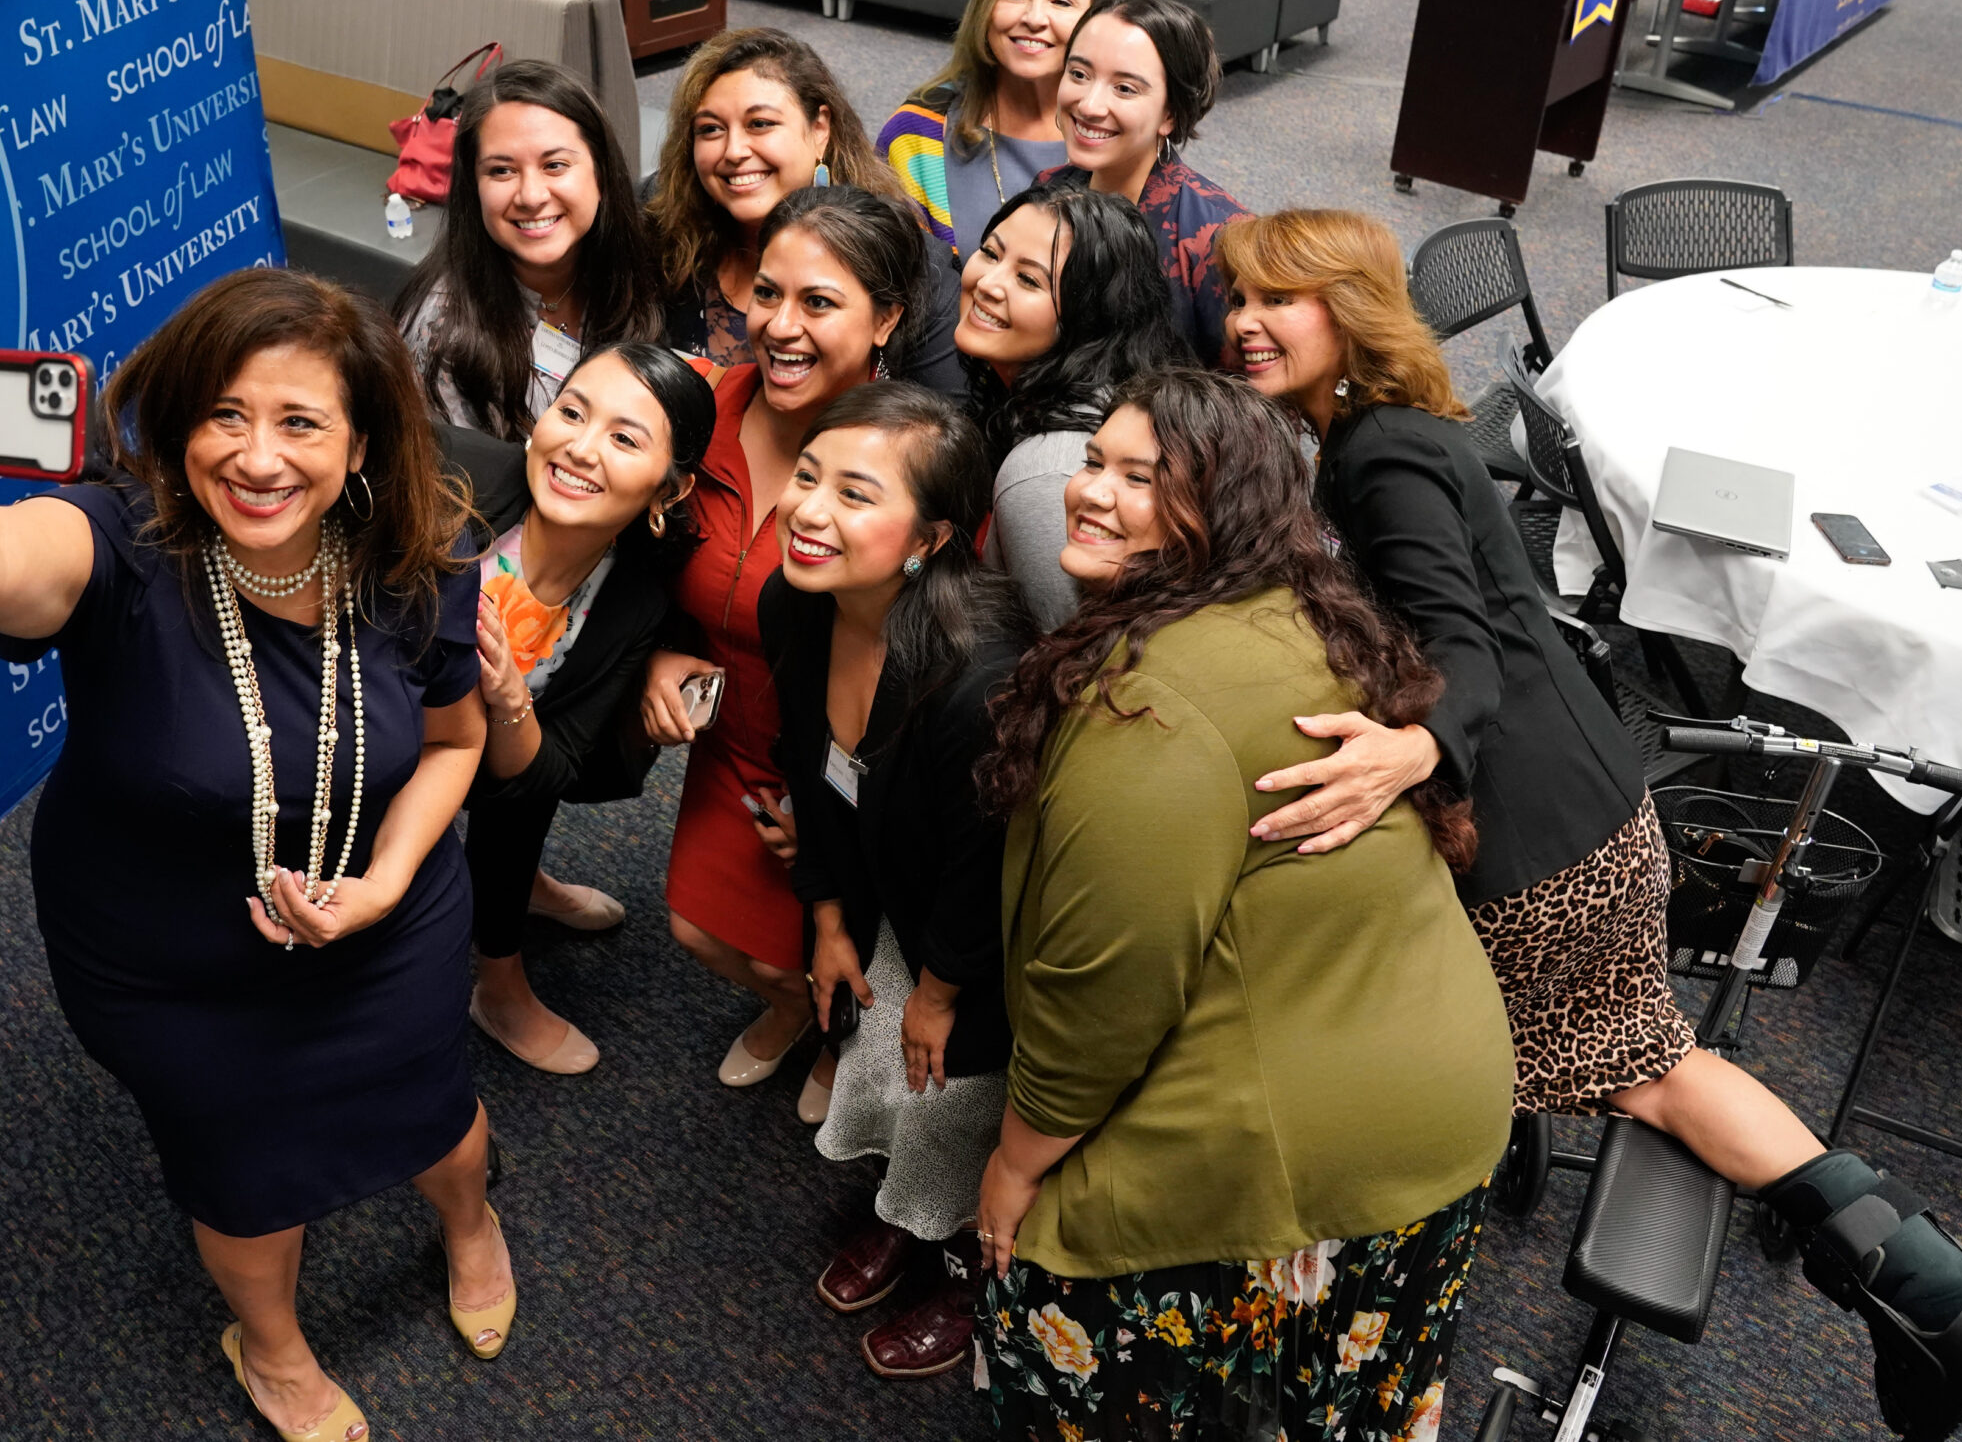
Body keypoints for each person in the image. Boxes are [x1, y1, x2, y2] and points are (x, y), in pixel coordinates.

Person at [1219, 208, 1962, 1442]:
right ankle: (1922, 1282)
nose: (1243, 322)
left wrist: (1413, 744)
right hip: (1601, 806)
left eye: (1276, 299)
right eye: (1235, 297)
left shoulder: (1374, 459)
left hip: (1524, 843)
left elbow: (1459, 647)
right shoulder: (1406, 430)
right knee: (1648, 1064)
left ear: (1347, 314)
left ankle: (1354, 1302)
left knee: (1554, 1071)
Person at [0, 273, 515, 1442]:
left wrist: (383, 886)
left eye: (299, 423)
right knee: (238, 1162)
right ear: (179, 421)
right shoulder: (118, 544)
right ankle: (273, 1347)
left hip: (387, 916)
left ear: (361, 445)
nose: (256, 457)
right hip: (166, 957)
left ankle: (472, 1225)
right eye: (224, 415)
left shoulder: (416, 561)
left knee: (441, 1113)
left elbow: (454, 738)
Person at [971, 369, 1513, 1442]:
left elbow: (1108, 989)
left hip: (1315, 1147)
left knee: (1052, 1317)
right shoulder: (1298, 612)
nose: (1089, 492)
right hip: (1433, 1104)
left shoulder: (1150, 711)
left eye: (1142, 476)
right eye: (1094, 463)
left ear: (1222, 511)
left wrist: (1014, 1161)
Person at [761, 383, 1035, 1381]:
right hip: (889, 896)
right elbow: (807, 764)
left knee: (959, 1097)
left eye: (854, 494)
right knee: (895, 1082)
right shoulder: (795, 599)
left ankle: (963, 1265)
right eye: (806, 477)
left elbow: (991, 861)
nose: (809, 511)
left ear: (929, 537)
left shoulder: (977, 675)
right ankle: (900, 1212)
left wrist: (942, 990)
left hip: (989, 947)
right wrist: (828, 915)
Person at [639, 186, 925, 1118]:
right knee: (699, 930)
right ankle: (794, 1006)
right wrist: (654, 656)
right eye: (768, 294)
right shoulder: (700, 410)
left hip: (844, 764)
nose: (780, 326)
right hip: (731, 739)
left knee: (820, 944)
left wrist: (848, 822)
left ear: (886, 318)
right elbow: (634, 563)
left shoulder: (912, 459)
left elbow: (926, 674)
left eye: (819, 302)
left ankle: (833, 1027)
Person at [461, 344, 717, 1075]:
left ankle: (498, 975)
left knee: (523, 759)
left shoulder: (630, 597)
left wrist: (512, 696)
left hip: (486, 762)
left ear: (669, 490)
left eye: (624, 437)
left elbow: (547, 773)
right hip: (360, 739)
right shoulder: (456, 475)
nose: (579, 445)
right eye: (571, 411)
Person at [646, 27, 962, 391]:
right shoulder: (662, 222)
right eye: (711, 129)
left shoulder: (915, 268)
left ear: (819, 130)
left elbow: (944, 426)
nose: (733, 151)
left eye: (760, 124)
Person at [953, 176, 1190, 628]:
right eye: (990, 253)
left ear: (1087, 317)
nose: (988, 283)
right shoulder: (1060, 399)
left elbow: (1063, 656)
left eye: (1027, 279)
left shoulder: (1050, 472)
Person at [395, 59, 662, 438]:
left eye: (554, 165)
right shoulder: (444, 332)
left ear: (601, 173)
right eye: (501, 171)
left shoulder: (640, 261)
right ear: (474, 187)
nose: (531, 196)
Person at [877, 0, 1114, 260]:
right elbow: (883, 272)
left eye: (1061, 2)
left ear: (1096, 19)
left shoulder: (1119, 129)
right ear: (985, 7)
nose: (1034, 18)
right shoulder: (917, 129)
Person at [1036, 0, 1249, 365]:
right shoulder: (1048, 191)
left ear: (1170, 114)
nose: (1088, 105)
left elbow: (1242, 393)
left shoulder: (1218, 239)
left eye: (1124, 88)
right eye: (1079, 74)